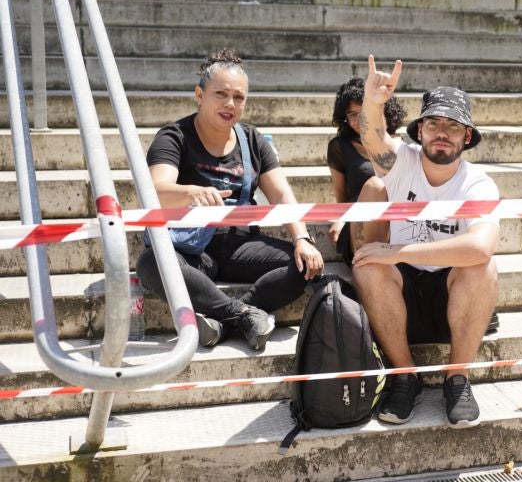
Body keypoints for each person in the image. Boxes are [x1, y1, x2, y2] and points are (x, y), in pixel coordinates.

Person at [136, 49, 324, 352]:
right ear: (200, 94)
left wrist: (302, 238)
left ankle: (224, 319)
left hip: (240, 244)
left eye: (239, 97)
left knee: (305, 264)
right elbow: (155, 189)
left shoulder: (252, 138)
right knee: (151, 262)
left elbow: (281, 194)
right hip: (192, 248)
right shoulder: (174, 136)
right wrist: (190, 193)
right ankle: (245, 315)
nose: (230, 104)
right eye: (220, 94)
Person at [351, 55, 500, 428]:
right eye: (433, 123)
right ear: (420, 131)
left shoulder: (478, 183)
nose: (442, 133)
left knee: (483, 265)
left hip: (452, 298)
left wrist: (397, 250)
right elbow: (373, 137)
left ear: (467, 136)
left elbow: (479, 247)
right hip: (400, 296)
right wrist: (373, 101)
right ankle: (405, 376)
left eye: (453, 126)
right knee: (370, 268)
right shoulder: (403, 163)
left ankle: (457, 377)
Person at [326, 77, 406, 265]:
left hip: (397, 223)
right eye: (351, 114)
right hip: (360, 224)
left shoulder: (401, 146)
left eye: (363, 112)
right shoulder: (340, 146)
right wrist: (340, 219)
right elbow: (340, 195)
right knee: (375, 186)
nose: (358, 120)